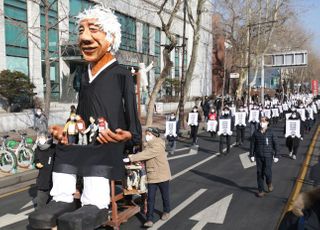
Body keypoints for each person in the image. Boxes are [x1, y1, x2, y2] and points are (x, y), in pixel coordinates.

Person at [29, 5, 142, 230]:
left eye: (93, 30)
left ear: (110, 38)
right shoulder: (84, 75)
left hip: (110, 139)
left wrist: (130, 134)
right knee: (65, 148)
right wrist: (69, 128)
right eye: (81, 31)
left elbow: (132, 112)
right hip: (86, 135)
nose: (85, 37)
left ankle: (95, 204)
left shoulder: (121, 74)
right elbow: (81, 112)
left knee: (99, 151)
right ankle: (62, 198)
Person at [127, 127, 171, 228]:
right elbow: (145, 156)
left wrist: (132, 157)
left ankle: (166, 211)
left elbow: (147, 154)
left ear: (154, 135)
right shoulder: (148, 145)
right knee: (150, 198)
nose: (147, 136)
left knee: (165, 196)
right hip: (152, 175)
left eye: (149, 134)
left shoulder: (158, 144)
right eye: (146, 134)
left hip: (162, 175)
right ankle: (149, 219)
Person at [250, 117, 279, 197]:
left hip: (268, 155)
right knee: (260, 173)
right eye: (261, 121)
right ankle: (261, 190)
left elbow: (276, 144)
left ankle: (269, 183)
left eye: (263, 121)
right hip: (259, 155)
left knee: (267, 172)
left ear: (267, 122)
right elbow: (252, 144)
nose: (262, 123)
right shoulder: (256, 133)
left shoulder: (271, 132)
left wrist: (276, 155)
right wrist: (251, 155)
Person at [34, 132, 56, 209]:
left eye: (42, 138)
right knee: (41, 203)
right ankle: (39, 216)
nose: (40, 140)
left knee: (53, 201)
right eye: (40, 138)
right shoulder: (37, 150)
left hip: (54, 178)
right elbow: (36, 160)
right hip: (43, 179)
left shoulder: (54, 148)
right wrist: (37, 164)